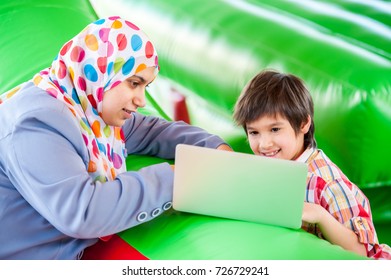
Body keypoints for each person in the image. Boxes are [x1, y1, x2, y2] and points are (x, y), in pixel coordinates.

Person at [0, 16, 231, 260]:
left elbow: (151, 130)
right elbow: (84, 213)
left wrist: (215, 147)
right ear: (101, 71)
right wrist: (177, 176)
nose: (141, 100)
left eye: (146, 87)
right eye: (133, 83)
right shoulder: (37, 123)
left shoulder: (86, 105)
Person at [233, 69, 391, 259]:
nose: (264, 144)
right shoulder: (274, 165)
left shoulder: (325, 183)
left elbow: (362, 254)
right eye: (254, 133)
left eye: (275, 129)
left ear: (303, 124)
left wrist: (320, 215)